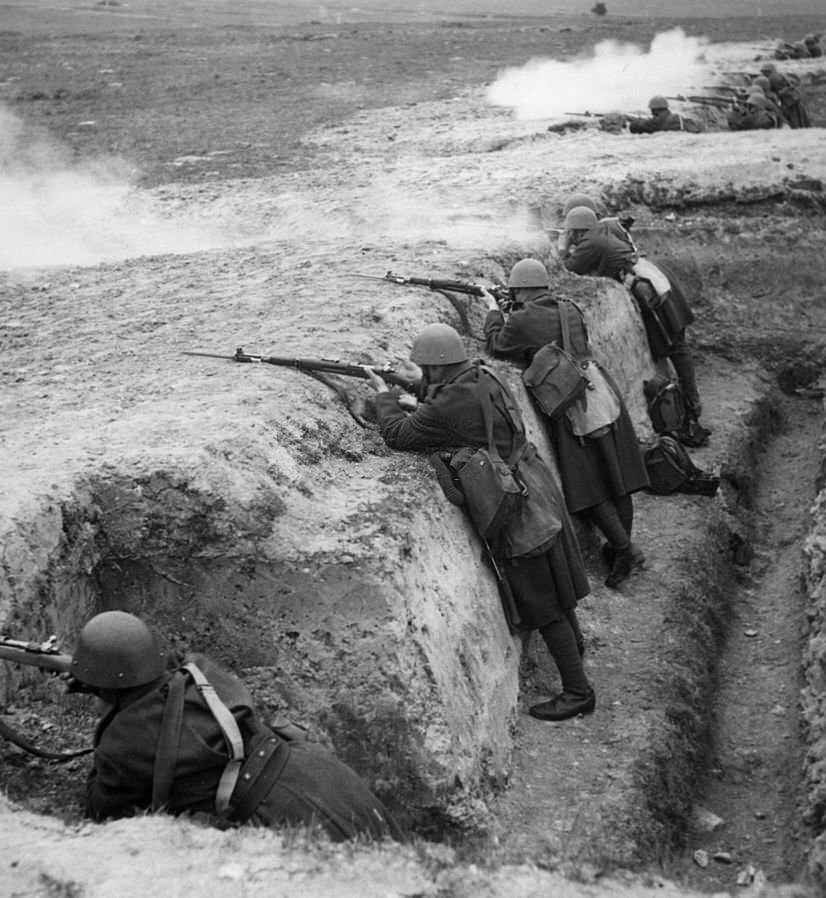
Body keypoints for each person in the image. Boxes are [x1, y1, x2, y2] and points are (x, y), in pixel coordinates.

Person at [363, 324, 596, 722]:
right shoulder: (481, 374)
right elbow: (453, 401)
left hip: (515, 504)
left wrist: (384, 399)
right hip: (535, 485)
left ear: (437, 368)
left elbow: (400, 435)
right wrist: (417, 385)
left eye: (426, 369)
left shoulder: (448, 404)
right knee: (555, 584)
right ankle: (574, 649)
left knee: (543, 601)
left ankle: (578, 691)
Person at [70, 610, 402, 841]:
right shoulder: (200, 672)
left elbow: (100, 809)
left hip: (277, 814)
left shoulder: (124, 745)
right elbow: (167, 667)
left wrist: (107, 711)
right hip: (318, 775)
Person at [484, 259, 649, 587]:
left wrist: (493, 311)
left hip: (570, 401)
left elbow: (497, 345)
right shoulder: (568, 307)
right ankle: (619, 548)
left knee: (589, 486)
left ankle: (624, 549)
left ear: (521, 290)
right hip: (600, 391)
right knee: (617, 479)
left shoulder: (522, 319)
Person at [561, 204, 709, 441]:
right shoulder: (604, 231)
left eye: (571, 232)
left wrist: (562, 247)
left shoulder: (590, 241)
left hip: (650, 296)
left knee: (673, 348)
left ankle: (689, 409)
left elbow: (567, 270)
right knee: (678, 349)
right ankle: (688, 407)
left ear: (577, 232)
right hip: (653, 281)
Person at [759, 62, 811, 128]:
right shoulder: (779, 75)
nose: (763, 74)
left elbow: (780, 92)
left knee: (795, 119)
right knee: (800, 118)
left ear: (768, 71)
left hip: (789, 102)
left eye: (764, 72)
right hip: (793, 100)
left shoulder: (772, 78)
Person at [627, 96, 698, 134]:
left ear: (655, 110)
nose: (651, 112)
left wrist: (631, 122)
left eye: (652, 110)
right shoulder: (676, 117)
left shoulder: (657, 121)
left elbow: (635, 126)